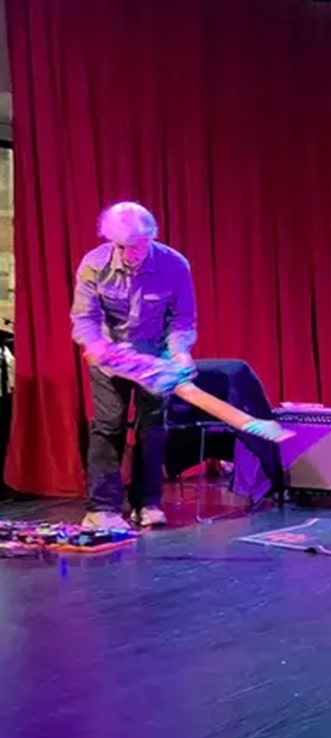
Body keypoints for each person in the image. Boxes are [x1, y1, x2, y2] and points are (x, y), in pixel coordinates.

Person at [70, 202, 198, 530]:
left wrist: (179, 353)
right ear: (111, 242)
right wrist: (98, 347)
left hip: (155, 359)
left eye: (138, 245)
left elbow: (182, 319)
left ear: (151, 236)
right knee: (108, 424)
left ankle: (148, 503)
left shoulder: (174, 265)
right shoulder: (93, 264)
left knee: (153, 429)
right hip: (110, 360)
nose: (131, 254)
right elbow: (85, 317)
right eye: (123, 247)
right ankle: (103, 508)